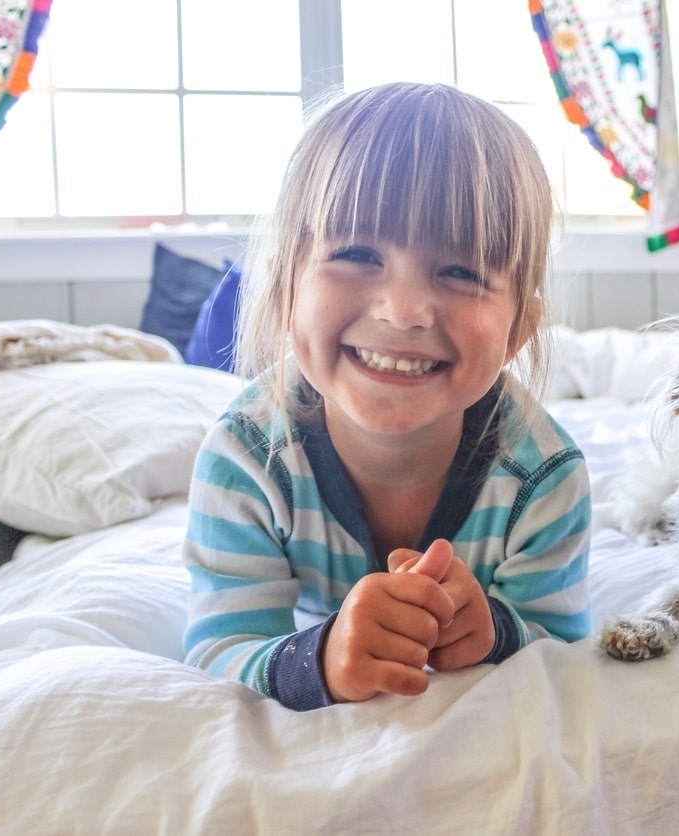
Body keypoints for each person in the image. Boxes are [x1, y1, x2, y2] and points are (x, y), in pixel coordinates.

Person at [182, 82, 592, 710]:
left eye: (460, 271)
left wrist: (494, 632)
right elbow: (221, 650)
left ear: (519, 330)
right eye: (355, 253)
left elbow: (559, 646)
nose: (402, 312)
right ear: (288, 281)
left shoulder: (542, 478)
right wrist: (319, 655)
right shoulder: (246, 457)